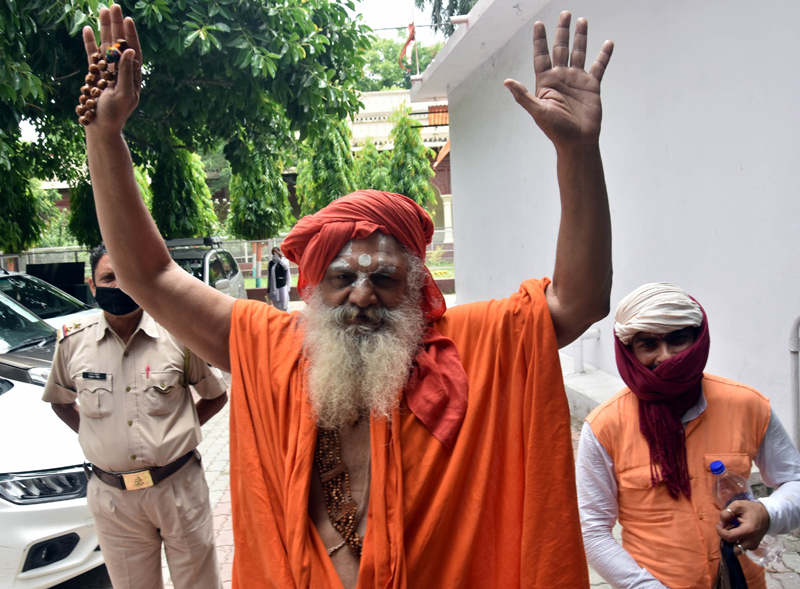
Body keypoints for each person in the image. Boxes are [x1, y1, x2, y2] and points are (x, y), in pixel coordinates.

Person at [79, 5, 614, 587]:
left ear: (415, 289)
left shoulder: (470, 347)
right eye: (341, 278)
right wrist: (105, 137)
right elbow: (149, 275)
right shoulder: (268, 348)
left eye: (384, 278)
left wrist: (577, 151)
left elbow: (578, 301)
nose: (361, 296)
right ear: (310, 286)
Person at [577, 283, 800, 589]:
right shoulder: (604, 426)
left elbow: (795, 481)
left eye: (677, 340)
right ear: (629, 352)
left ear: (697, 339)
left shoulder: (747, 405)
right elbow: (593, 531)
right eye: (648, 345)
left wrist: (767, 513)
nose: (665, 357)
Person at [43, 243, 229, 589]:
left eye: (125, 277)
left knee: (199, 583)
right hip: (113, 498)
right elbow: (60, 400)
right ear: (92, 284)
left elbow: (216, 395)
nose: (117, 286)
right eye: (108, 278)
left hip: (178, 487)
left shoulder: (178, 336)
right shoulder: (73, 344)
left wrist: (176, 431)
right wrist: (99, 436)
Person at [267, 246, 291, 311]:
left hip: (282, 285)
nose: (275, 253)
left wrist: (281, 257)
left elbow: (285, 267)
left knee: (284, 302)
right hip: (274, 287)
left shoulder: (284, 261)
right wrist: (268, 287)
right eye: (273, 252)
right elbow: (269, 276)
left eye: (276, 251)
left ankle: (285, 315)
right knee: (276, 303)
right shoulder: (271, 263)